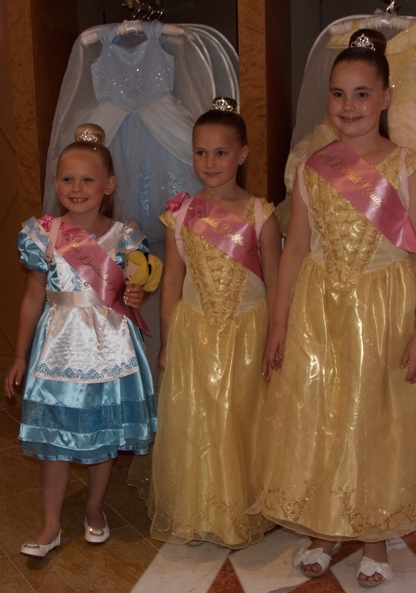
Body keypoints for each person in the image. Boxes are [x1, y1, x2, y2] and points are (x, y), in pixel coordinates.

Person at [248, 29, 416, 587]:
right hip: (318, 315)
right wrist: (279, 323)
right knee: (322, 417)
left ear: (385, 97)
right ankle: (324, 525)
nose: (349, 105)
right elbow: (295, 250)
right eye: (338, 94)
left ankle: (375, 533)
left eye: (362, 94)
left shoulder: (410, 170)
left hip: (385, 316)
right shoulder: (312, 168)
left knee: (375, 422)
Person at [4, 124, 157, 558]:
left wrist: (136, 293)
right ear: (56, 184)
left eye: (88, 179)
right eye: (68, 179)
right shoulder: (43, 234)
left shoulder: (125, 237)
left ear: (108, 185)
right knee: (55, 441)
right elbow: (33, 297)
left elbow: (131, 291)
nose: (77, 188)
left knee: (102, 435)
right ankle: (50, 524)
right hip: (58, 349)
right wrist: (19, 355)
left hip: (111, 348)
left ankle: (94, 508)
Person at [148, 97, 281, 548]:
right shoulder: (181, 214)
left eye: (221, 152)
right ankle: (199, 508)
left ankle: (242, 508)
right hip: (195, 336)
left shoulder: (261, 214)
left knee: (243, 423)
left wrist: (275, 337)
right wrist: (168, 341)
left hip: (248, 334)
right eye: (201, 152)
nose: (210, 162)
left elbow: (277, 284)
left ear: (242, 154)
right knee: (199, 423)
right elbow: (171, 282)